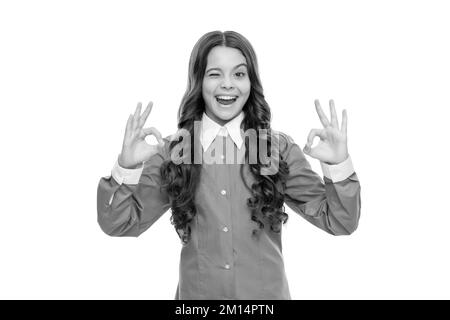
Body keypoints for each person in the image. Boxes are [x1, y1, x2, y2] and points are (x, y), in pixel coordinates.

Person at [97, 30, 361, 300]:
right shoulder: (177, 151)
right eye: (214, 74)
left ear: (251, 81)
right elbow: (119, 224)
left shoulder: (274, 150)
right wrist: (126, 168)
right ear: (198, 81)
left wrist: (338, 165)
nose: (227, 84)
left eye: (238, 74)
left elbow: (340, 222)